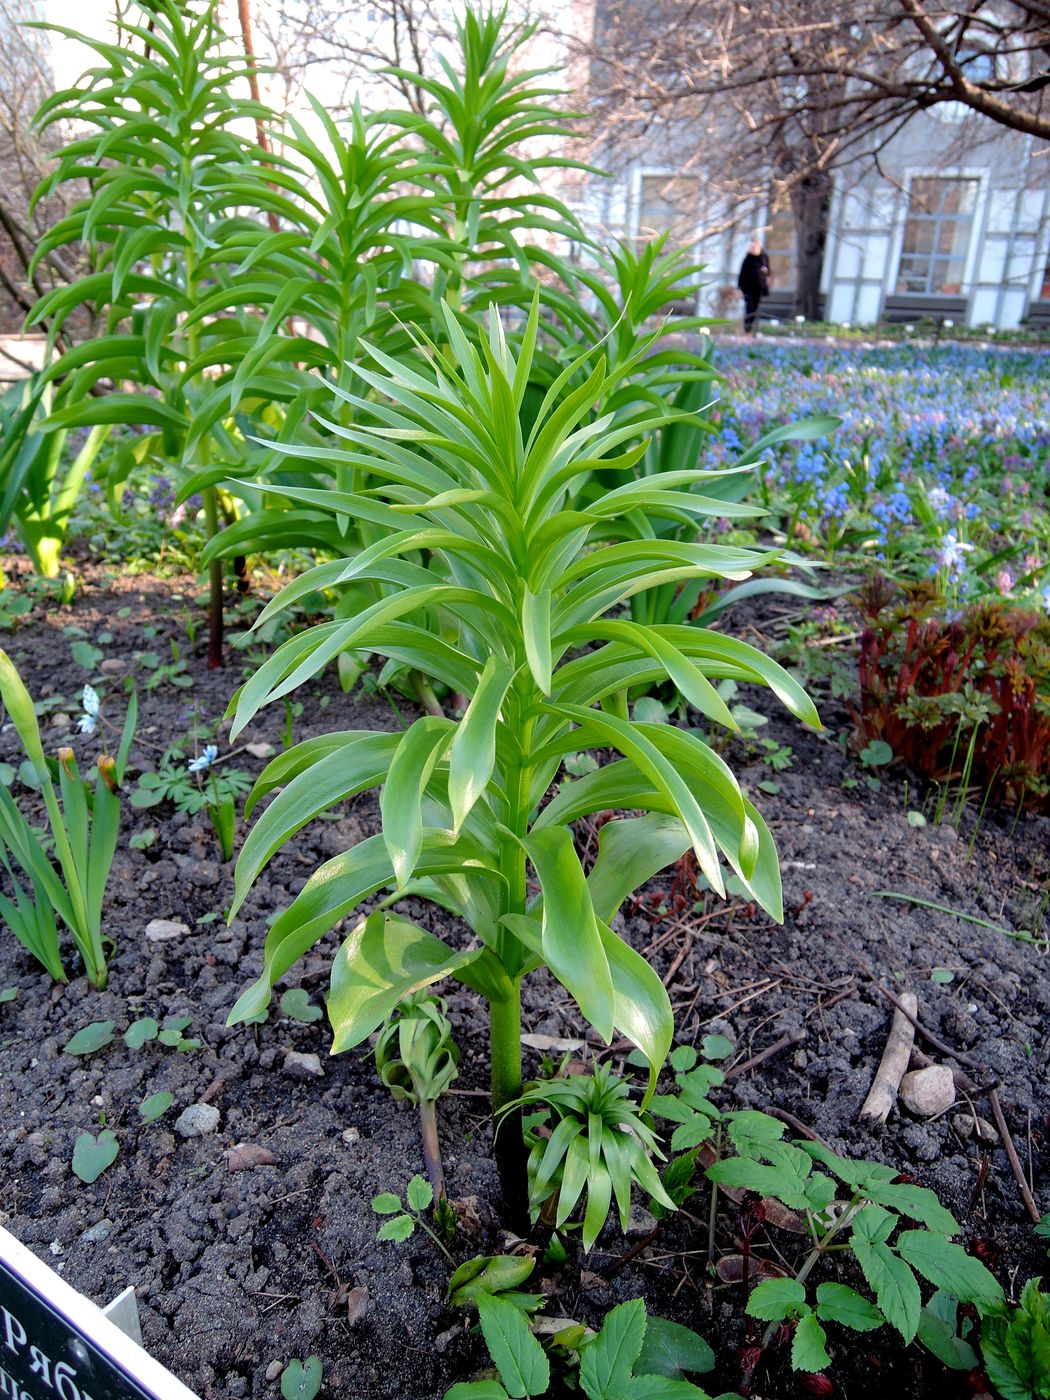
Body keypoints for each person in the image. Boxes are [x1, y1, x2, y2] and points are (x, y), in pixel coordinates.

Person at [737, 233, 770, 334]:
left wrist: (765, 273)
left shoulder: (764, 257)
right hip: (748, 287)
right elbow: (742, 274)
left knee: (755, 309)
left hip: (759, 287)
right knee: (749, 308)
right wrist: (740, 288)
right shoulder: (748, 259)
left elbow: (768, 271)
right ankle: (747, 328)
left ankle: (752, 329)